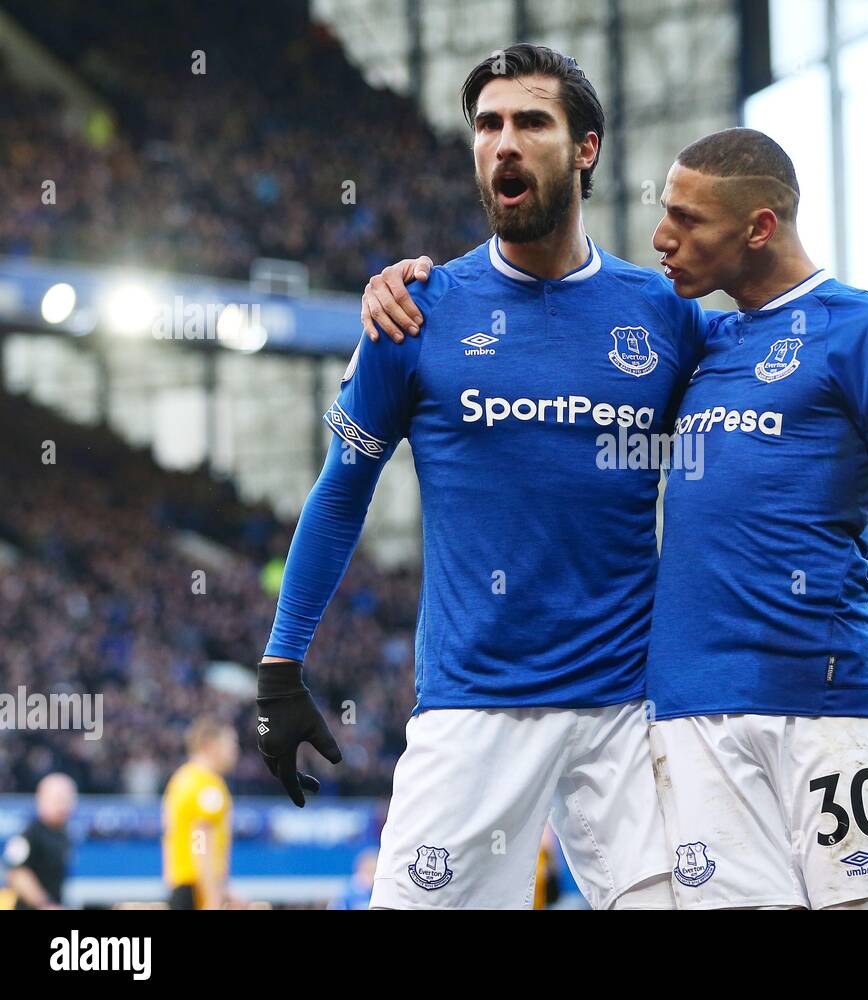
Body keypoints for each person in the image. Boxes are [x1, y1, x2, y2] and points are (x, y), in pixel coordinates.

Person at [366, 128, 868, 910]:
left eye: (686, 219)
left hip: (828, 706)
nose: (660, 237)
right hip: (691, 716)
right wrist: (408, 285)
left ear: (759, 229)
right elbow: (566, 339)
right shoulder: (697, 344)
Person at [256, 44, 709, 910]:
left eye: (531, 122)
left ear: (586, 148)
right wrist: (281, 665)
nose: (504, 142)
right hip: (472, 712)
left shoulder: (664, 316)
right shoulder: (414, 312)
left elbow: (758, 426)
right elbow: (341, 490)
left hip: (629, 709)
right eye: (488, 124)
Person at [163, 717, 238, 909]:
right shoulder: (207, 786)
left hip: (183, 884)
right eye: (230, 743)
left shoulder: (181, 779)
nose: (235, 751)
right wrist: (212, 898)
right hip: (197, 889)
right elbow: (201, 839)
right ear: (211, 745)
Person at [3, 772, 77, 910]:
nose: (64, 806)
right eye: (58, 800)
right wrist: (45, 904)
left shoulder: (63, 834)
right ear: (41, 799)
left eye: (68, 800)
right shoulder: (29, 834)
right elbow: (17, 873)